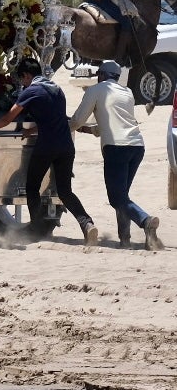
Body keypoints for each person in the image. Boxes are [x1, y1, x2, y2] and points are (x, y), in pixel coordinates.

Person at [0, 57, 98, 246]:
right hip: (66, 146)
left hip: (47, 146)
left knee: (32, 187)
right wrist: (31, 130)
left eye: (22, 80)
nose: (23, 84)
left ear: (26, 75)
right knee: (65, 191)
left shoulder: (32, 91)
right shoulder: (57, 90)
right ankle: (87, 224)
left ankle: (34, 229)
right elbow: (54, 119)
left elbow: (10, 116)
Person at [69, 60, 164, 250]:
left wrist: (67, 127)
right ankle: (125, 239)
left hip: (116, 148)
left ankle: (145, 221)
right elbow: (111, 122)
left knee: (116, 198)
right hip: (137, 146)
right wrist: (87, 130)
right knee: (122, 196)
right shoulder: (127, 92)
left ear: (101, 75)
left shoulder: (95, 90)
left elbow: (78, 119)